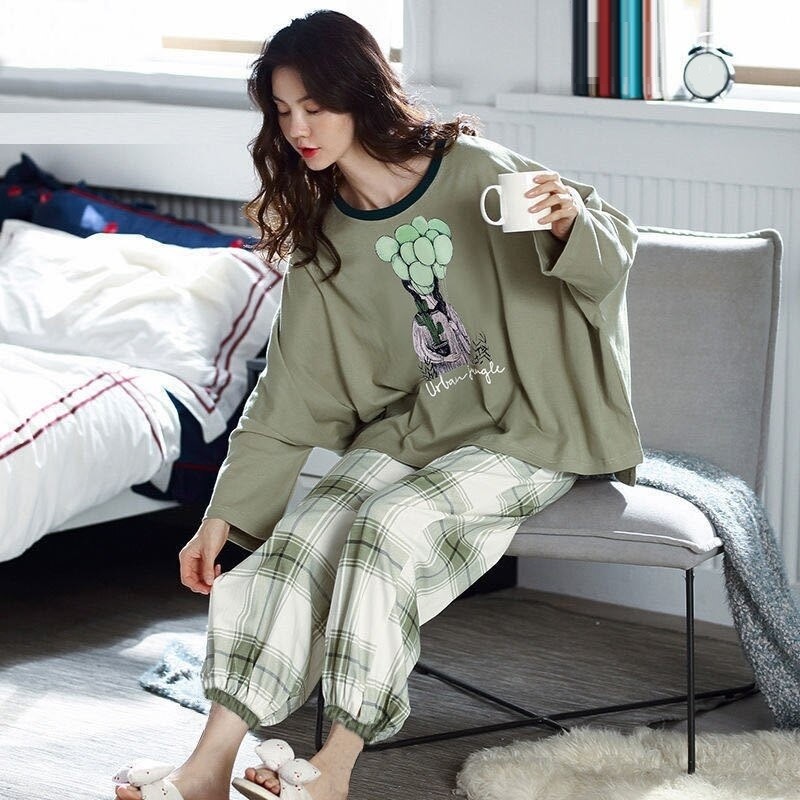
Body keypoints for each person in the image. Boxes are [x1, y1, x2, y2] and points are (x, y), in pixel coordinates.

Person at [113, 9, 642, 800]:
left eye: (314, 106)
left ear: (359, 94)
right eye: (282, 112)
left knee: (389, 526)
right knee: (302, 536)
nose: (298, 128)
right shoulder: (324, 236)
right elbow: (291, 386)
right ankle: (207, 766)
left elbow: (612, 252)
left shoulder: (475, 171)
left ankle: (334, 766)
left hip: (532, 427)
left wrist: (569, 224)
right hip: (423, 427)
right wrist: (226, 511)